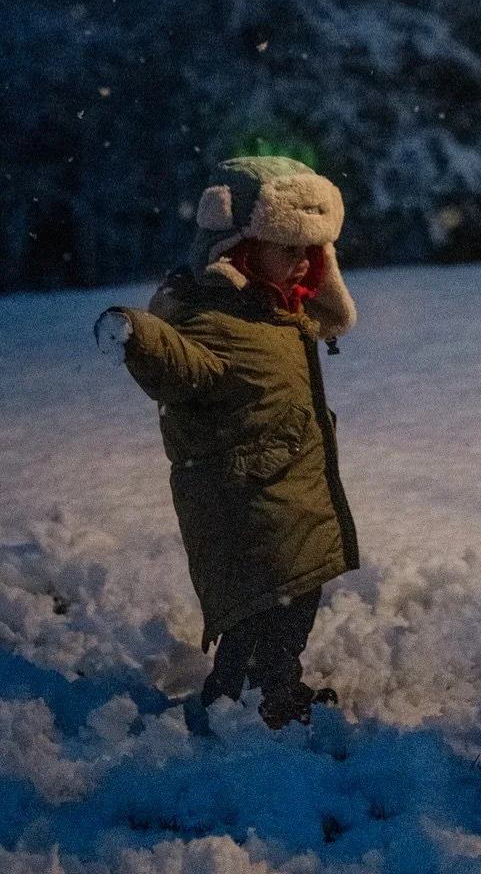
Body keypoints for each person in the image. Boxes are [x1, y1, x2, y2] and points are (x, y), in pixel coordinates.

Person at [94, 154, 358, 731]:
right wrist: (140, 337)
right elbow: (180, 366)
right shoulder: (211, 319)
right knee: (265, 614)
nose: (302, 263)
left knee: (281, 610)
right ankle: (252, 699)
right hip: (246, 504)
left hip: (285, 495)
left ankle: (257, 690)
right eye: (287, 247)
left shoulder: (278, 312)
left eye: (312, 251)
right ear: (238, 245)